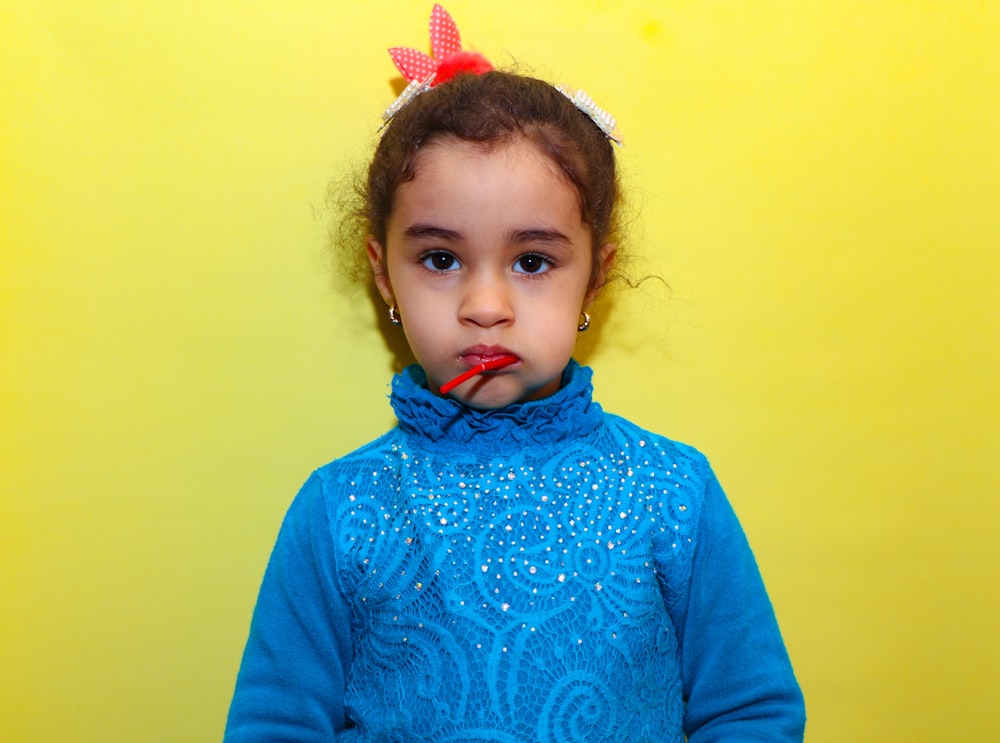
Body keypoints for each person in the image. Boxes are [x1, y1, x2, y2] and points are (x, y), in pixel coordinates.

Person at [224, 6, 805, 742]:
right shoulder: (342, 509)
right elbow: (275, 725)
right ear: (384, 277)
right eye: (441, 258)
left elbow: (749, 712)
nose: (486, 306)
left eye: (532, 261)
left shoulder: (672, 492)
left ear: (596, 274)